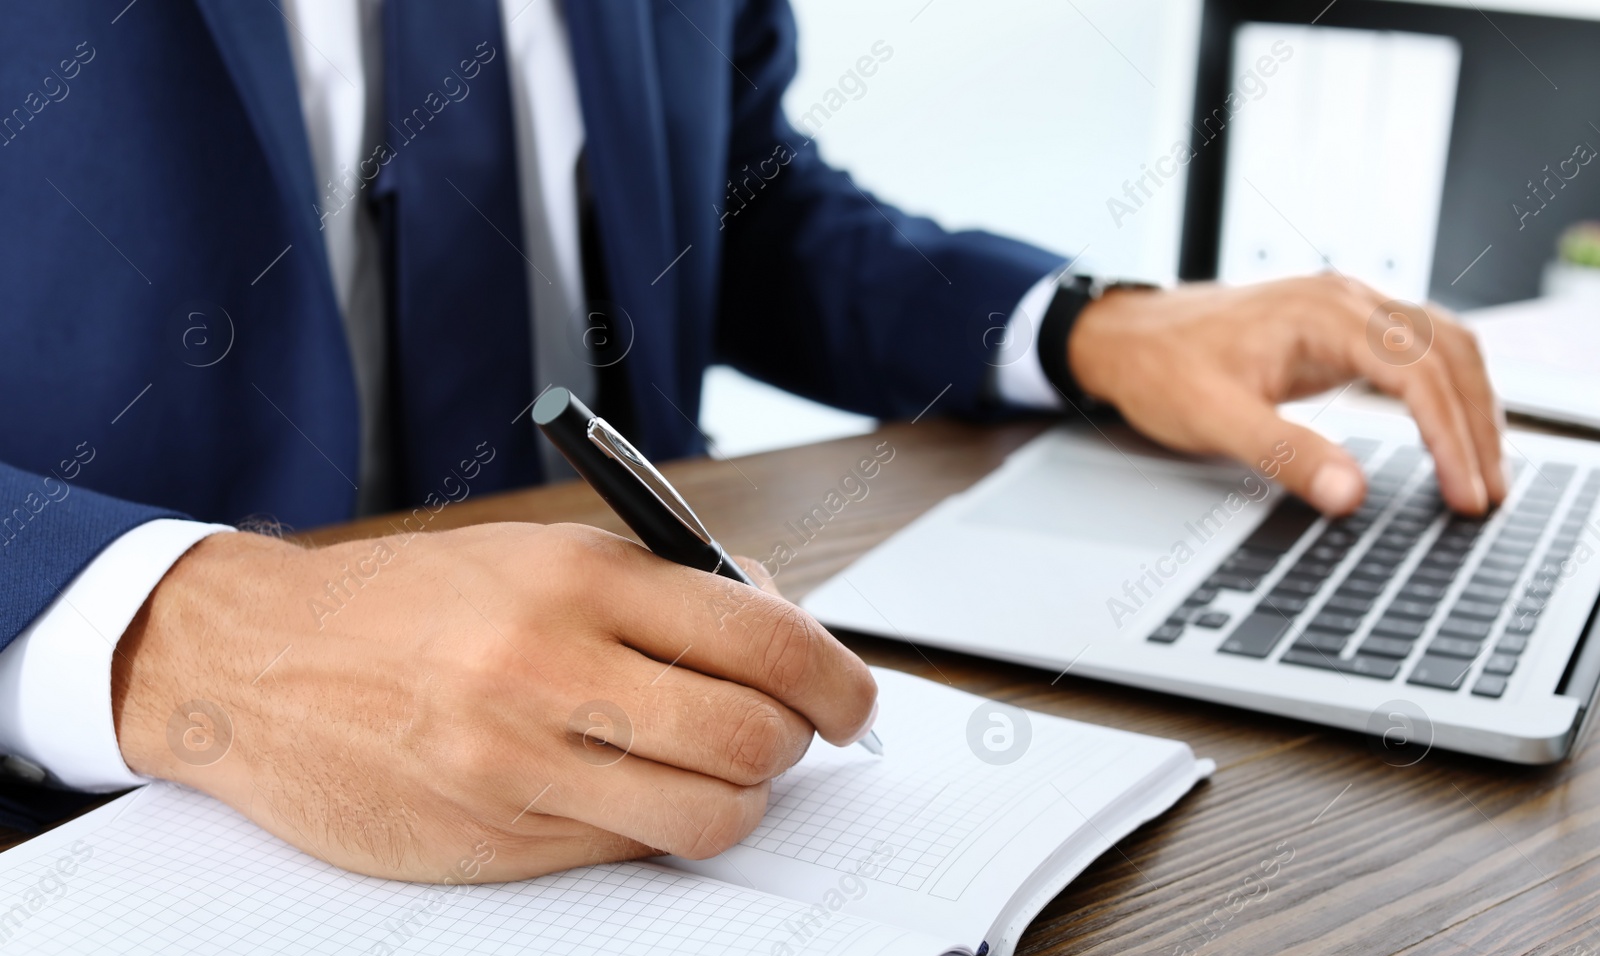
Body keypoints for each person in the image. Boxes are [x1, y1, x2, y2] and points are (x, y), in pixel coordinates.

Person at [0, 1, 1501, 882]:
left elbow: (754, 209)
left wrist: (1078, 324)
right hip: (118, 823)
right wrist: (175, 639)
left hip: (668, 773)